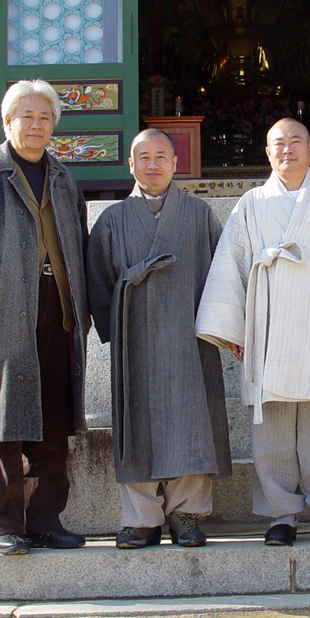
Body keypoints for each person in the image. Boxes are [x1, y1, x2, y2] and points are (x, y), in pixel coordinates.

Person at [196, 118, 310, 546]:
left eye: (295, 141)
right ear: (268, 153)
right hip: (269, 326)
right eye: (278, 143)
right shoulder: (251, 203)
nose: (287, 149)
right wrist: (235, 328)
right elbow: (231, 264)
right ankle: (281, 514)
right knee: (271, 427)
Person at [0, 79, 89, 556]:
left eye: (44, 117)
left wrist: (85, 309)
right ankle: (7, 525)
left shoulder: (64, 179)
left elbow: (80, 245)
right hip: (4, 307)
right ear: (7, 121)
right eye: (26, 116)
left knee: (52, 423)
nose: (36, 124)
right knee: (3, 420)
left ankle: (46, 521)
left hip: (58, 308)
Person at [86, 129, 232, 549]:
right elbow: (97, 279)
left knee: (192, 419)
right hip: (135, 334)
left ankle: (187, 513)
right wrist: (115, 326)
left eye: (161, 156)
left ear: (175, 163)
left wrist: (220, 326)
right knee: (136, 422)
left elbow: (221, 274)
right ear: (131, 164)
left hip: (189, 333)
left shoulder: (199, 213)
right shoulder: (113, 219)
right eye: (144, 157)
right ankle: (141, 519)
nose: (153, 164)